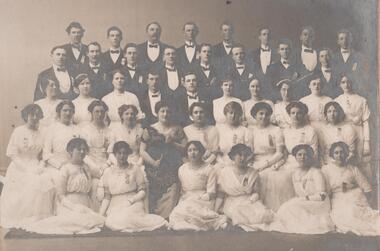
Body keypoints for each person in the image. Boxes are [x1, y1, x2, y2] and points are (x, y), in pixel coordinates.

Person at [25, 138, 105, 234]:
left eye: (84, 149)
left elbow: (99, 176)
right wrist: (74, 207)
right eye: (79, 149)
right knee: (75, 223)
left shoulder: (87, 168)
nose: (82, 152)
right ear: (71, 151)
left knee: (95, 220)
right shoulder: (65, 169)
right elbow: (60, 196)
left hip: (86, 204)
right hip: (69, 205)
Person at [1, 104, 55, 229]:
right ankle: (23, 217)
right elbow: (12, 154)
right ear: (26, 116)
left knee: (45, 179)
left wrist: (40, 166)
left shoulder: (43, 132)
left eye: (37, 115)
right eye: (32, 115)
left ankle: (39, 217)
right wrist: (27, 169)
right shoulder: (18, 131)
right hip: (19, 166)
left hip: (36, 164)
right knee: (31, 181)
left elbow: (45, 153)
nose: (35, 117)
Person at [99, 141, 167, 232]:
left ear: (128, 154)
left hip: (133, 202)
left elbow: (143, 191)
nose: (122, 156)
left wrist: (131, 200)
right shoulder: (108, 172)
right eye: (119, 153)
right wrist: (100, 215)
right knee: (112, 221)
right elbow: (107, 197)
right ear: (115, 154)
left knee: (128, 217)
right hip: (115, 204)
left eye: (124, 153)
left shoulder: (135, 169)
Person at [271, 144, 334, 234]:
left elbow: (322, 195)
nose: (302, 157)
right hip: (305, 202)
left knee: (291, 208)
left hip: (319, 203)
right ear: (295, 157)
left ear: (310, 157)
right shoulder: (294, 174)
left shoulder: (316, 172)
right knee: (284, 208)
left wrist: (305, 199)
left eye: (306, 155)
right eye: (299, 155)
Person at [322, 142, 380, 236]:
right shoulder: (326, 169)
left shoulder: (353, 169)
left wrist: (366, 202)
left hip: (354, 196)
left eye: (342, 152)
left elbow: (367, 187)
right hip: (337, 198)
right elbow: (326, 190)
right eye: (336, 153)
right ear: (332, 154)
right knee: (344, 214)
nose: (339, 155)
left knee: (357, 211)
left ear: (346, 154)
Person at [140, 101, 186, 219]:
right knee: (151, 186)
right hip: (154, 168)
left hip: (172, 167)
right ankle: (154, 217)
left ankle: (167, 217)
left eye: (168, 112)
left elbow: (185, 149)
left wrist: (173, 144)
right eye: (162, 111)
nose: (165, 114)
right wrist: (154, 163)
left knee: (174, 187)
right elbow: (142, 151)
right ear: (157, 113)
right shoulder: (149, 130)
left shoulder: (177, 129)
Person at [169, 141, 227, 231]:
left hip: (203, 200)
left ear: (201, 152)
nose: (193, 153)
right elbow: (181, 190)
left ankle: (199, 225)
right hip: (186, 199)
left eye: (195, 150)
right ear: (187, 153)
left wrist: (199, 198)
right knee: (178, 213)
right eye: (190, 150)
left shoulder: (209, 169)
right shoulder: (182, 169)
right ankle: (190, 227)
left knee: (195, 213)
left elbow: (211, 193)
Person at [215, 144, 274, 231]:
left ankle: (240, 225)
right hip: (232, 201)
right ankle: (237, 225)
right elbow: (221, 194)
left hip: (249, 201)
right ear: (233, 156)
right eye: (240, 155)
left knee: (262, 214)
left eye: (245, 155)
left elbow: (256, 192)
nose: (243, 158)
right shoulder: (225, 172)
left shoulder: (253, 173)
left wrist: (252, 200)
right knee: (237, 212)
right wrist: (216, 210)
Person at [248, 102, 292, 211]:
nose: (264, 116)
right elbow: (249, 152)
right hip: (256, 161)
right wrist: (251, 165)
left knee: (275, 178)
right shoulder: (251, 131)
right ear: (255, 116)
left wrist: (265, 164)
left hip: (273, 162)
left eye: (266, 114)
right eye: (260, 114)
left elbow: (280, 153)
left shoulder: (276, 130)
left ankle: (274, 210)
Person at [334, 74, 371, 178]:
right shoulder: (337, 100)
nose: (346, 85)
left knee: (360, 162)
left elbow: (365, 122)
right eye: (343, 82)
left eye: (348, 82)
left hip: (359, 133)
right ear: (340, 85)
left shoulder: (362, 100)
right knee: (345, 161)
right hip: (343, 133)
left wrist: (366, 143)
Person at [80, 100, 112, 210]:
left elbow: (112, 152)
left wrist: (106, 165)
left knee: (111, 181)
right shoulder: (85, 130)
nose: (99, 114)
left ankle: (109, 213)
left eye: (102, 112)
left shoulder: (110, 130)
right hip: (90, 164)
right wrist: (95, 168)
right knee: (95, 184)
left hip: (107, 164)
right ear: (91, 113)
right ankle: (97, 213)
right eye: (96, 111)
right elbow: (84, 154)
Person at [43, 100, 81, 181]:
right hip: (56, 166)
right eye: (65, 110)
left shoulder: (77, 129)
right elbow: (46, 153)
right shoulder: (52, 129)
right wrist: (59, 165)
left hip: (74, 165)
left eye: (70, 111)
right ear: (59, 112)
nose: (68, 113)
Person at [282, 101, 318, 169]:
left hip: (306, 165)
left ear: (303, 115)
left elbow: (314, 154)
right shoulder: (285, 131)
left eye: (299, 113)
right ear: (289, 115)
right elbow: (284, 153)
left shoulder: (310, 130)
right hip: (289, 165)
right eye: (293, 113)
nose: (295, 116)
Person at [249, 27, 277, 98]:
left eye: (268, 34)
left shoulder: (276, 53)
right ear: (259, 37)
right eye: (264, 34)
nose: (266, 36)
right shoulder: (253, 54)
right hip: (258, 88)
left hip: (272, 88)